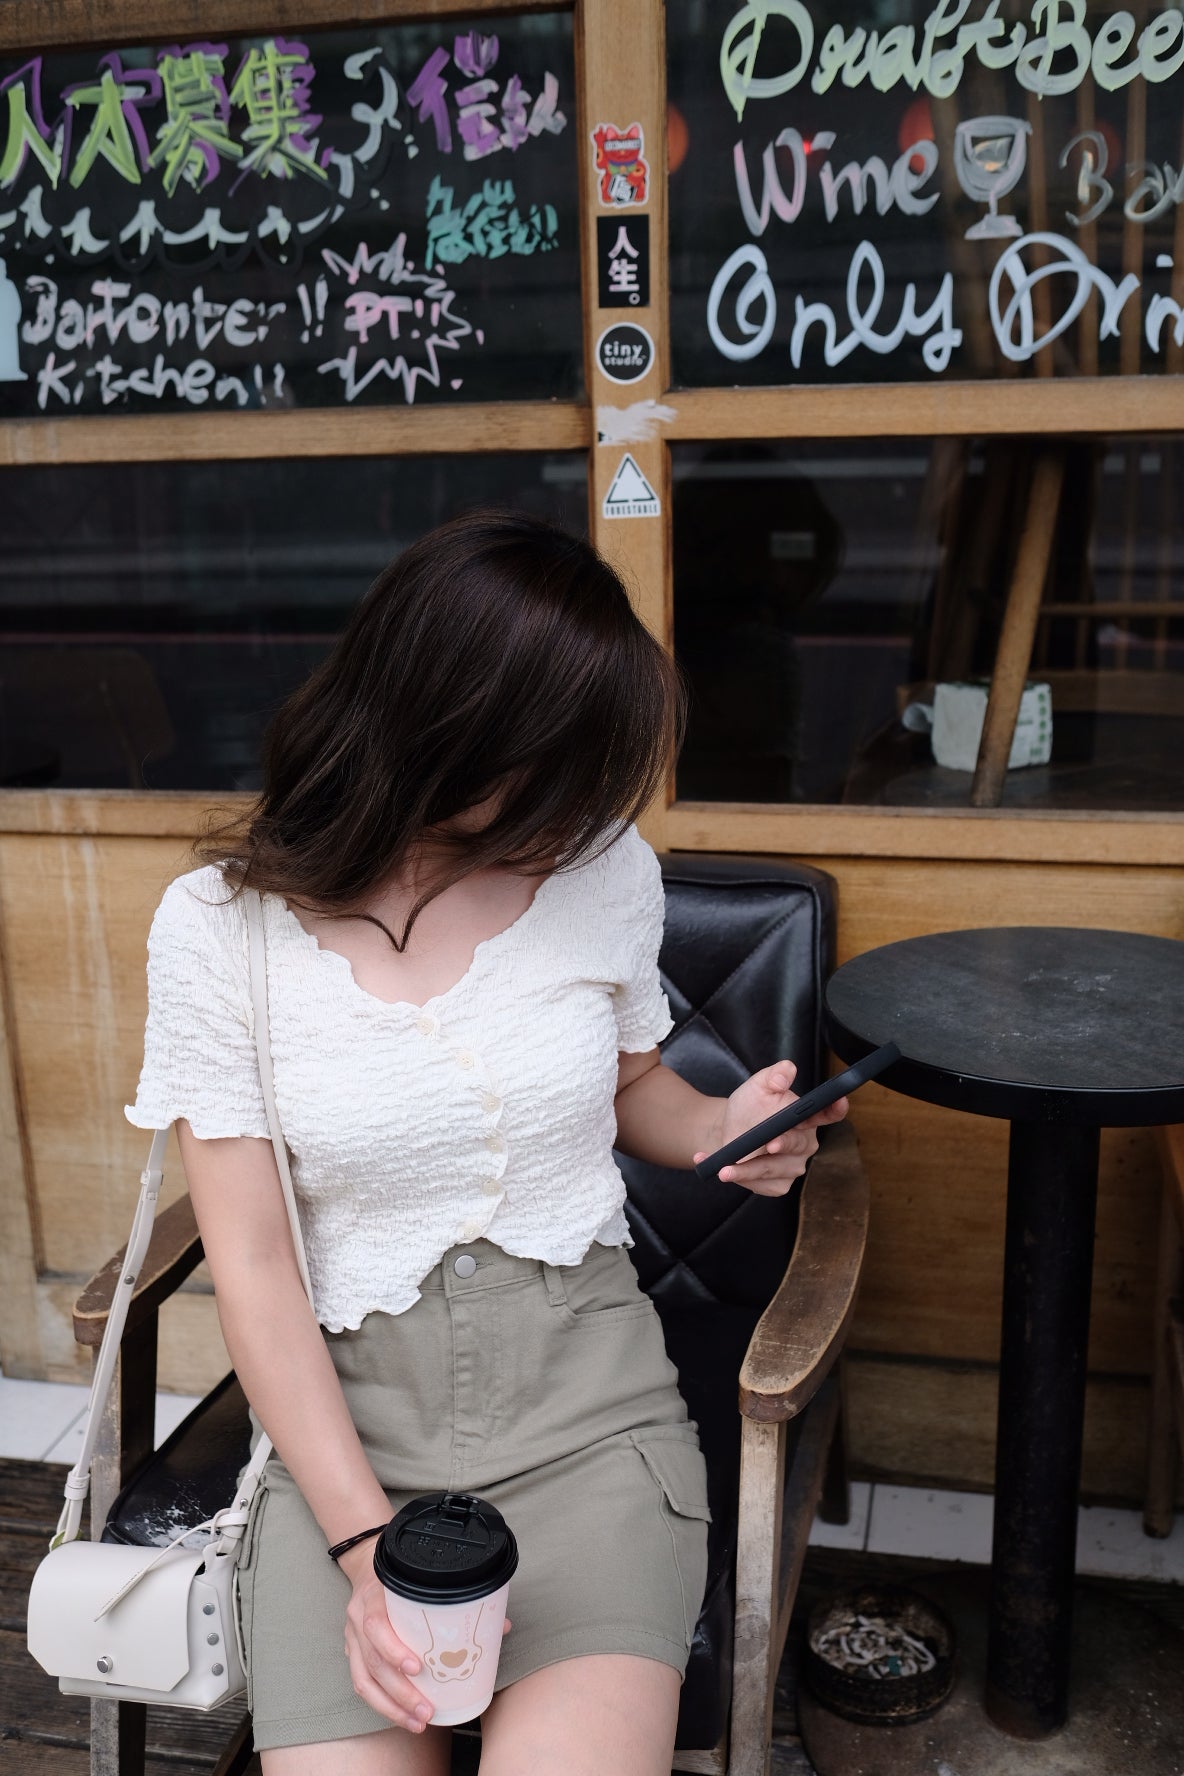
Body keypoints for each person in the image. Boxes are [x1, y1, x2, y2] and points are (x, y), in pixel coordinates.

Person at [126, 510, 848, 1776]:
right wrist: (362, 1555)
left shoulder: (597, 869)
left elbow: (638, 1091)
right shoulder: (217, 932)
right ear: (438, 725)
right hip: (347, 1448)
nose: (579, 810)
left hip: (590, 1419)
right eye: (554, 769)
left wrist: (725, 1130)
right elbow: (253, 1269)